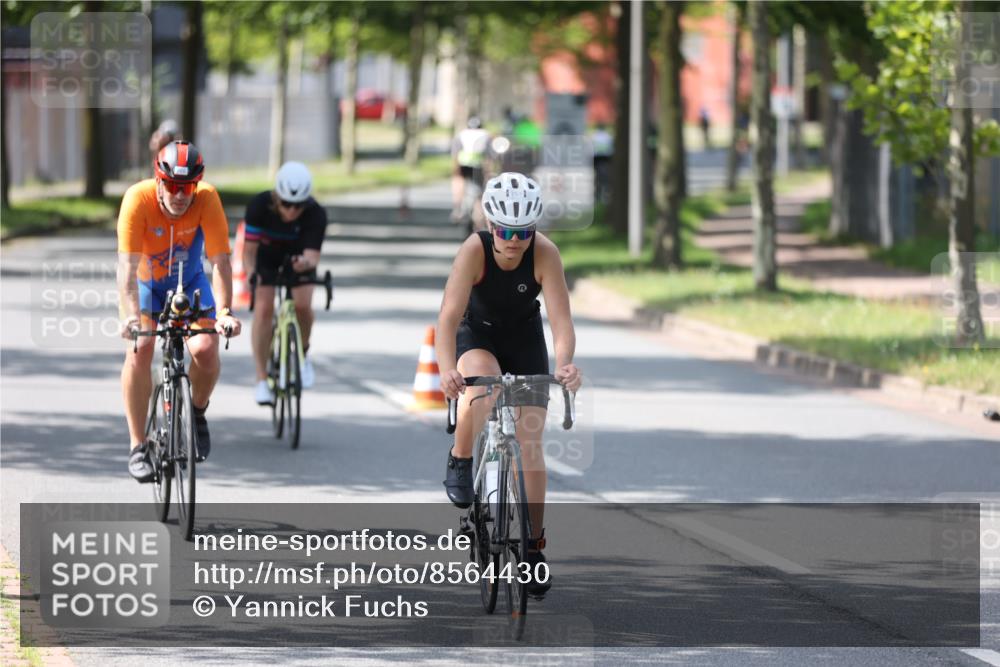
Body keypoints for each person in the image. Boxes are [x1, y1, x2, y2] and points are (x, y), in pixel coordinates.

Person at [436, 172, 583, 597]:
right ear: (489, 225)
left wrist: (567, 364)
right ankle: (461, 456)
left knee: (531, 442)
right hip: (477, 333)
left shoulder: (545, 254)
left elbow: (561, 321)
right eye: (504, 230)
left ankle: (534, 547)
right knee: (483, 390)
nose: (513, 240)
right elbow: (447, 316)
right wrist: (448, 369)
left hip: (523, 338)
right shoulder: (473, 251)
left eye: (522, 231)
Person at [118, 140, 242, 482]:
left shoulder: (207, 199)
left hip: (190, 285)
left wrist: (225, 313)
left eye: (187, 187)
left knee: (205, 348)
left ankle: (197, 412)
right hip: (147, 287)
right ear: (159, 182)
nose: (179, 194)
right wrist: (130, 316)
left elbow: (219, 262)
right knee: (140, 349)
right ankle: (138, 445)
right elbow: (126, 270)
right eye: (172, 186)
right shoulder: (137, 199)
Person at [242, 161, 328, 405]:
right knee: (263, 308)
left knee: (302, 305)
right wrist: (250, 273)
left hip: (297, 258)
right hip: (266, 258)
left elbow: (312, 258)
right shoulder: (259, 206)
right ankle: (261, 379)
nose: (291, 211)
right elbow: (249, 252)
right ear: (276, 197)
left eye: (298, 205)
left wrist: (305, 264)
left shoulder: (316, 213)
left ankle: (303, 353)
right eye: (287, 204)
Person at [451, 116, 491, 229]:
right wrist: (488, 172)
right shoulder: (485, 135)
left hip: (463, 164)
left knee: (458, 182)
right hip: (478, 166)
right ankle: (479, 218)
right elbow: (489, 157)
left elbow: (455, 155)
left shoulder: (461, 134)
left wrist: (455, 171)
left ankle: (457, 208)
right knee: (480, 193)